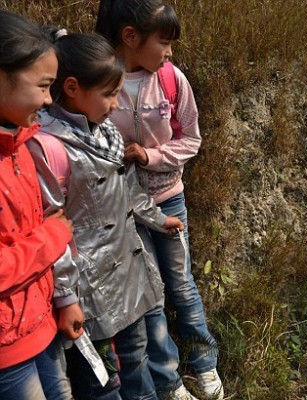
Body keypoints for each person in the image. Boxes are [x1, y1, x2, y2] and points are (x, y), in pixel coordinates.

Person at [28, 32, 195, 400]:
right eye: (108, 94)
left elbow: (128, 188)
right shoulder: (48, 146)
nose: (116, 103)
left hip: (126, 271)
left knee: (136, 358)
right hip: (90, 286)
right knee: (102, 381)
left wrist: (156, 218)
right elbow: (50, 230)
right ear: (71, 88)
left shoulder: (104, 130)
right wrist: (65, 296)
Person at [95, 1, 224, 399]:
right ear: (130, 38)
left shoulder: (171, 80)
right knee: (148, 296)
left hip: (168, 201)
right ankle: (168, 381)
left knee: (181, 284)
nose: (169, 53)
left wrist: (149, 156)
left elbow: (192, 140)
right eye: (164, 43)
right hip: (125, 212)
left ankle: (204, 365)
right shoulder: (99, 82)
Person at [0, 11, 75, 400]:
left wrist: (62, 300)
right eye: (44, 86)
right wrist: (55, 236)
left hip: (38, 325)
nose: (49, 100)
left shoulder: (19, 144)